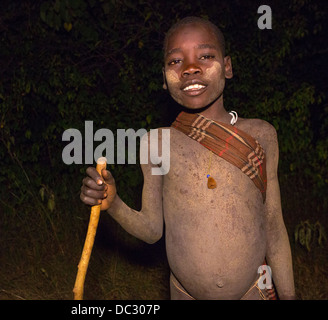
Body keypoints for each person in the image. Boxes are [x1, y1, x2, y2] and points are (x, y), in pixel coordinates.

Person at [80, 16, 295, 300]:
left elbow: (274, 227)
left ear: (227, 66)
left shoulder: (261, 135)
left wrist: (290, 295)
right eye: (175, 61)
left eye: (206, 56)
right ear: (164, 79)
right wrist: (114, 203)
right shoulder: (157, 143)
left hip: (252, 292)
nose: (191, 68)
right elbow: (152, 230)